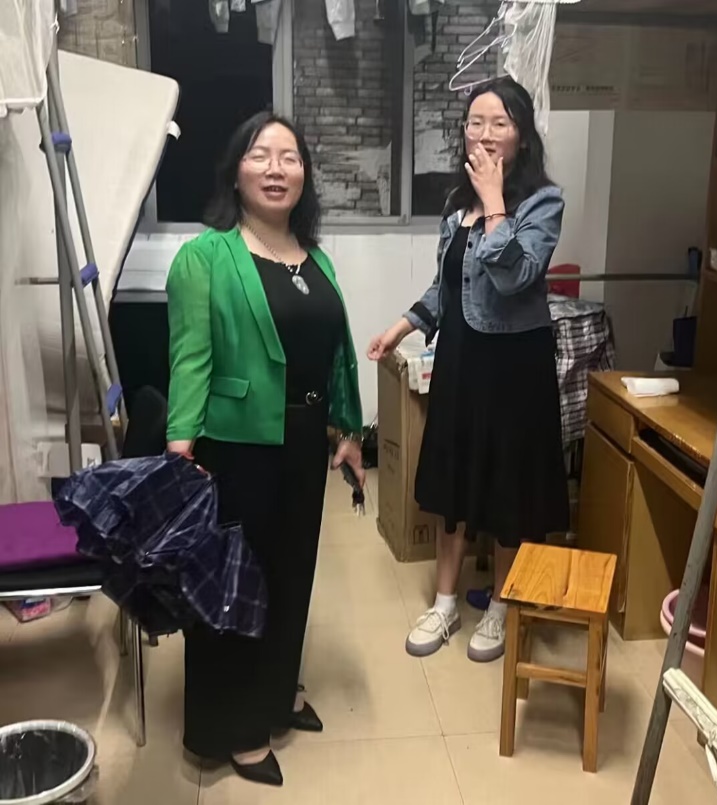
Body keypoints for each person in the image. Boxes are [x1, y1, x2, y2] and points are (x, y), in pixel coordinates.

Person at [166, 111, 364, 787]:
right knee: (233, 588)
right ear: (236, 172)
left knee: (291, 576)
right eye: (261, 155)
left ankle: (277, 695)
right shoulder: (206, 256)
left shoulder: (315, 258)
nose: (276, 168)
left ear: (305, 174)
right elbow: (190, 358)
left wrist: (346, 433)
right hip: (234, 448)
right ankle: (235, 727)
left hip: (303, 445)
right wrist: (180, 447)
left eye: (290, 157)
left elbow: (331, 358)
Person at [368, 77, 569, 665]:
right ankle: (445, 603)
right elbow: (446, 287)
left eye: (499, 123)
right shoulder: (457, 206)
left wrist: (496, 201)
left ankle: (502, 605)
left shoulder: (542, 203)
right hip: (460, 360)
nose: (484, 133)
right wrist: (401, 327)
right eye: (475, 122)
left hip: (514, 368)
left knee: (507, 488)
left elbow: (516, 276)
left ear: (521, 136)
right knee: (453, 483)